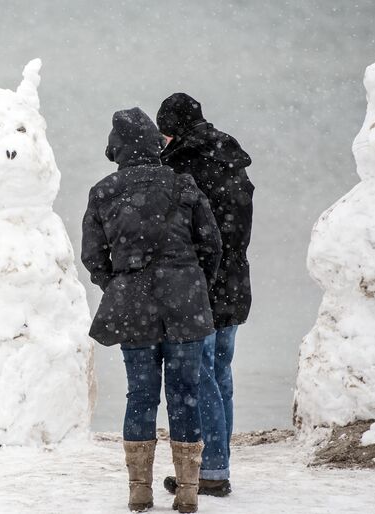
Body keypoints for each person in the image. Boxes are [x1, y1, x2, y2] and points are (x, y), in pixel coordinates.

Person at [82, 107, 222, 513]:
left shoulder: (104, 191)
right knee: (185, 395)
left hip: (134, 305)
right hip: (185, 303)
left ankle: (139, 489)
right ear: (155, 145)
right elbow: (211, 246)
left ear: (118, 149)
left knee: (140, 395)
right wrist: (193, 282)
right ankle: (189, 491)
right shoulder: (184, 186)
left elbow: (93, 256)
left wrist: (119, 283)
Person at [156, 93, 254, 497]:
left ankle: (211, 470)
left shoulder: (182, 166)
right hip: (234, 280)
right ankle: (219, 461)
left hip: (202, 284)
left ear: (172, 129)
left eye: (163, 133)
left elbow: (189, 233)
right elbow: (237, 228)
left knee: (200, 379)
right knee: (221, 375)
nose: (161, 141)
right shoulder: (231, 157)